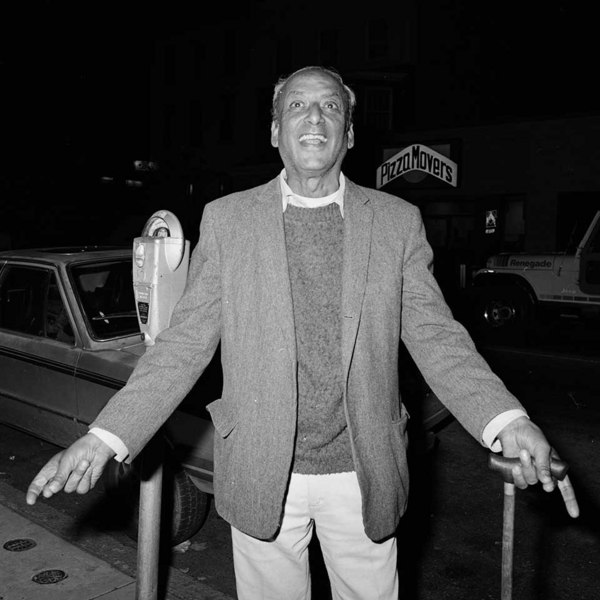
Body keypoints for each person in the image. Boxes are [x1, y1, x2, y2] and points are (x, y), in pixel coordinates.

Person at [26, 66, 579, 599]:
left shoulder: (395, 221)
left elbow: (438, 337)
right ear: (274, 131)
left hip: (364, 468)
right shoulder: (228, 220)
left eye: (330, 107)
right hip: (260, 467)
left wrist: (509, 420)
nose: (314, 117)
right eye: (297, 106)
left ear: (349, 132)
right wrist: (105, 437)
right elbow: (184, 344)